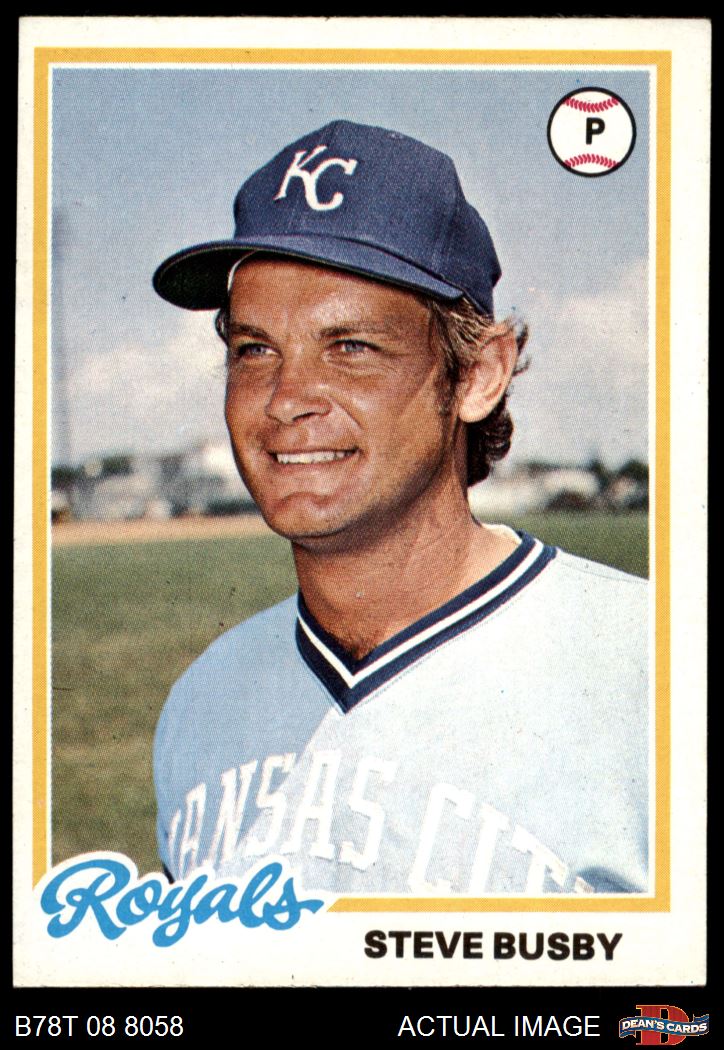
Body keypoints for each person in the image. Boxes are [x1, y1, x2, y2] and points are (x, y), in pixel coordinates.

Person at [152, 120, 648, 896]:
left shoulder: (656, 671)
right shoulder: (201, 702)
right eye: (254, 349)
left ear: (477, 375)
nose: (285, 399)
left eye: (350, 347)